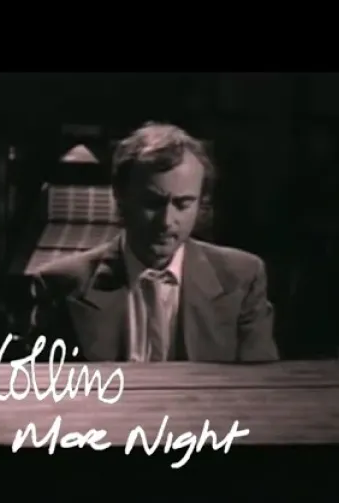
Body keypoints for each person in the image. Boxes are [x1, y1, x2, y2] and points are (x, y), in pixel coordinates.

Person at [29, 121, 279, 363]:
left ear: (201, 203)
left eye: (183, 204)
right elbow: (45, 384)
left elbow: (261, 384)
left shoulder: (241, 278)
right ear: (121, 197)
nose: (166, 222)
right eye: (152, 203)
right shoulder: (61, 284)